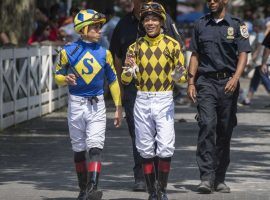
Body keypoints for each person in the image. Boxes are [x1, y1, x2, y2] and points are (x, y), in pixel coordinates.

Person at [110, 0, 184, 191]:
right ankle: (151, 191)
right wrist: (128, 70)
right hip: (141, 97)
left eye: (154, 19)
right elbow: (126, 78)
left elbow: (182, 79)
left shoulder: (173, 45)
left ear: (161, 22)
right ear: (142, 23)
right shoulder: (135, 47)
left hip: (164, 98)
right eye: (147, 20)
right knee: (144, 146)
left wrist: (178, 75)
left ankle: (162, 190)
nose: (150, 23)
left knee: (166, 145)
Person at [54, 9, 122, 200]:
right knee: (78, 149)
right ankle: (83, 190)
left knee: (95, 147)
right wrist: (65, 78)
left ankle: (92, 188)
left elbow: (113, 80)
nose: (99, 30)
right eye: (95, 27)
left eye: (100, 26)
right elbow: (57, 76)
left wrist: (118, 106)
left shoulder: (105, 53)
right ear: (83, 30)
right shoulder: (67, 51)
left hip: (97, 105)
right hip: (76, 104)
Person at [187, 0, 251, 194]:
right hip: (206, 82)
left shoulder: (237, 25)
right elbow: (195, 55)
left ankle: (219, 178)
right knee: (207, 125)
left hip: (228, 84)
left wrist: (236, 78)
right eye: (209, 0)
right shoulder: (200, 24)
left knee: (225, 129)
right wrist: (190, 83)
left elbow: (243, 54)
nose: (211, 2)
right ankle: (206, 177)